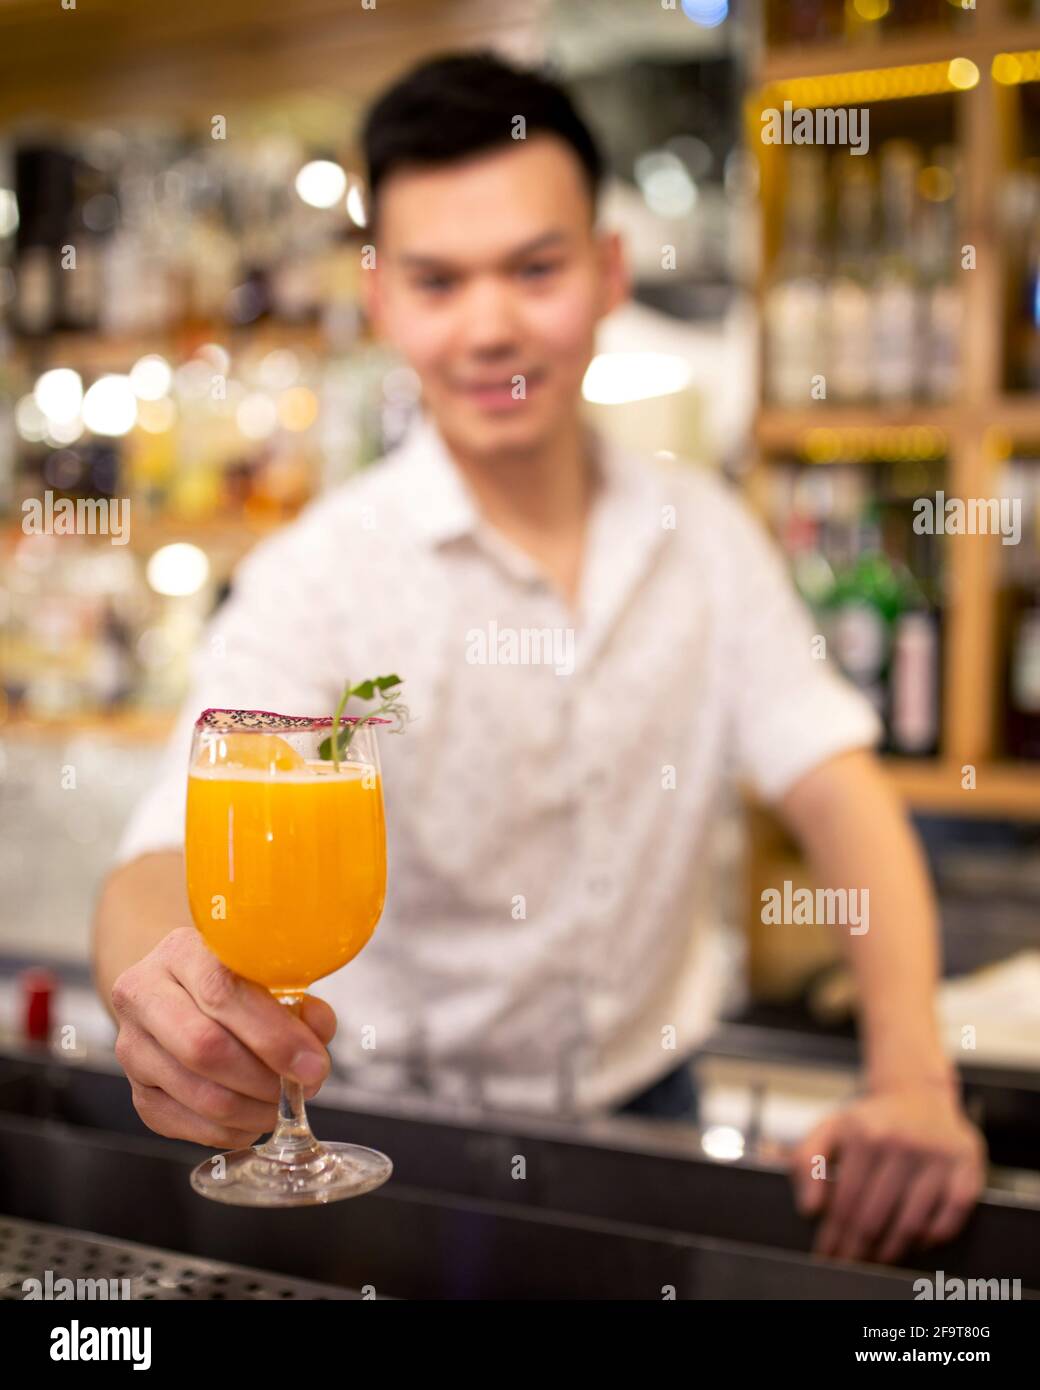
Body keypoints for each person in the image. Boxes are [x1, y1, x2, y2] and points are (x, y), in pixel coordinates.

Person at [93, 51, 985, 1266]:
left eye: (535, 267)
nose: (491, 324)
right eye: (437, 279)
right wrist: (162, 995)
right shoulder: (322, 572)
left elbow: (835, 786)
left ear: (607, 271)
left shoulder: (705, 535)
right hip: (385, 1139)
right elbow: (162, 849)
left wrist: (912, 1075)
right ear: (381, 299)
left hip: (651, 1124)